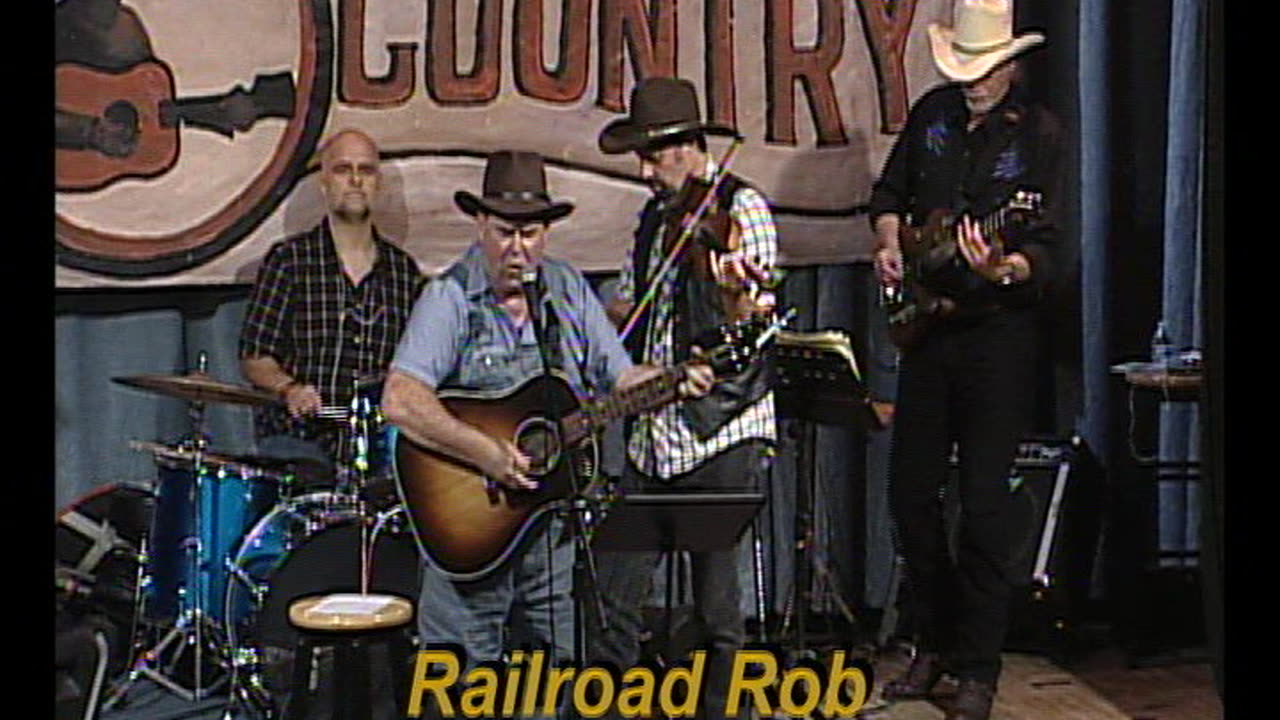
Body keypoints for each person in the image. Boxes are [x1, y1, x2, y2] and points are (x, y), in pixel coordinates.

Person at [381, 150, 713, 716]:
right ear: (481, 226)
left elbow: (621, 376)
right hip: (469, 533)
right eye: (505, 233)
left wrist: (675, 380)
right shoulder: (450, 297)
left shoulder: (564, 290)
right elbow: (401, 399)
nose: (518, 249)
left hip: (548, 537)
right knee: (464, 690)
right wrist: (486, 453)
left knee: (551, 686)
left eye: (530, 234)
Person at [869, 2, 1064, 719]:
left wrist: (1004, 267)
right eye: (966, 70)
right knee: (911, 497)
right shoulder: (932, 116)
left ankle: (978, 664)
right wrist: (890, 242)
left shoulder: (1041, 136)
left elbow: (1047, 249)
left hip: (996, 337)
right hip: (928, 334)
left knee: (983, 509)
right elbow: (889, 194)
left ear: (1010, 65)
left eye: (985, 71)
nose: (975, 83)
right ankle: (933, 639)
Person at [586, 76, 778, 720]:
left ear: (688, 146)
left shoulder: (742, 210)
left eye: (653, 155)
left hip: (719, 427)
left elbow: (751, 312)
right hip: (655, 429)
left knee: (717, 609)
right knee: (616, 596)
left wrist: (736, 296)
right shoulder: (654, 219)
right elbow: (632, 298)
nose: (645, 171)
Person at [240, 129, 424, 483]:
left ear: (378, 183)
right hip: (298, 443)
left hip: (378, 451)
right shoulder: (290, 260)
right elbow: (255, 356)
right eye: (343, 169)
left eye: (366, 170)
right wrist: (289, 388)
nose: (355, 180)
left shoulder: (404, 273)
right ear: (324, 183)